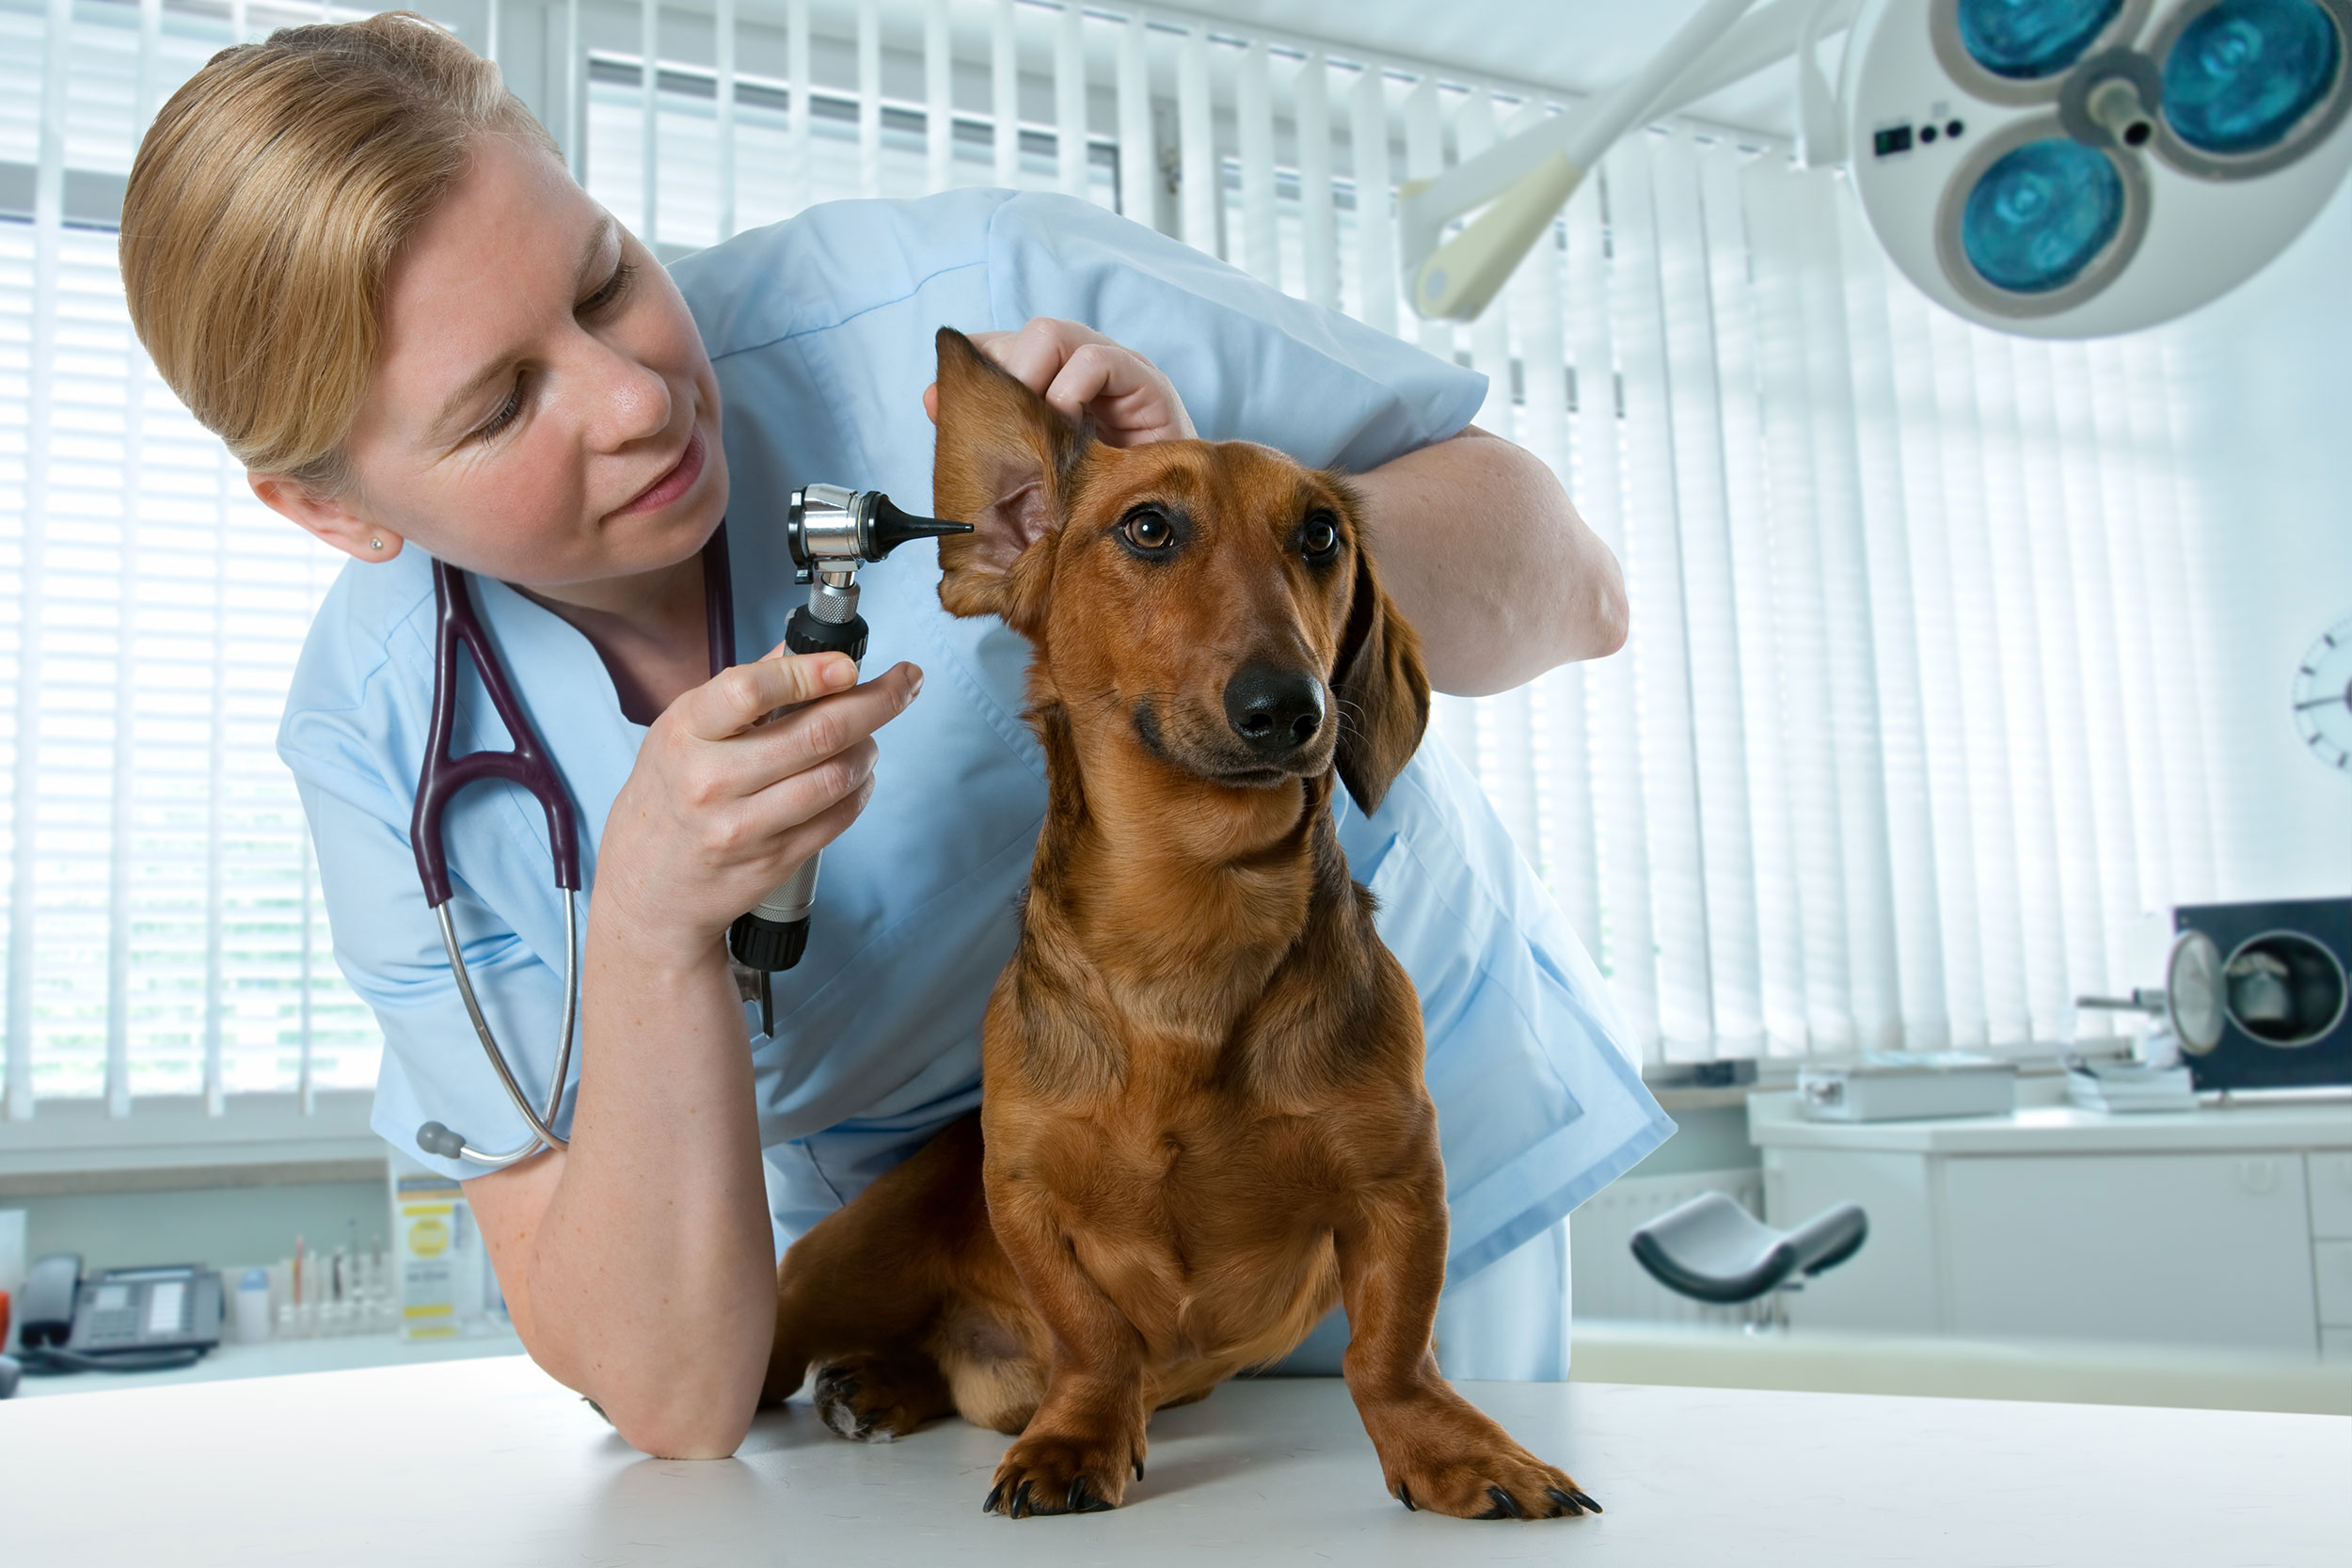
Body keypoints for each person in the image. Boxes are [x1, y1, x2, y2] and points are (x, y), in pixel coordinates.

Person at [119, 13, 1671, 1459]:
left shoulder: (978, 312)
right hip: (980, 1282)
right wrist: (653, 924)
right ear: (330, 509)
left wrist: (1220, 550)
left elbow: (1574, 589)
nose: (635, 398)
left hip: (1360, 1175)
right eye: (501, 405)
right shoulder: (387, 754)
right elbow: (668, 1395)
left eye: (602, 281)